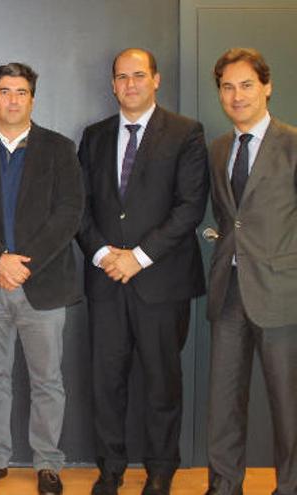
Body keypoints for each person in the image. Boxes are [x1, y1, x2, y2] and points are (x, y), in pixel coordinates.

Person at [76, 48, 209, 495]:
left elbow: (190, 206)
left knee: (162, 383)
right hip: (106, 280)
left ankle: (160, 469)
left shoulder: (186, 133)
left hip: (162, 281)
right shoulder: (93, 137)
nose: (129, 84)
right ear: (112, 84)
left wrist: (138, 256)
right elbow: (80, 209)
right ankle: (110, 468)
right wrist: (101, 254)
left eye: (138, 75)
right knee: (106, 382)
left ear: (156, 79)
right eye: (121, 77)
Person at [0, 62, 83, 495]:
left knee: (47, 380)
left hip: (42, 285)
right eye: (4, 91)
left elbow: (70, 213)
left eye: (21, 92)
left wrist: (24, 264)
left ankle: (48, 463)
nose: (12, 99)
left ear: (32, 99)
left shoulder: (59, 149)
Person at [205, 47, 297, 495]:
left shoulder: (293, 143)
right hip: (229, 291)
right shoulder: (219, 147)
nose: (236, 95)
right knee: (223, 402)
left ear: (267, 87)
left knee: (288, 406)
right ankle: (224, 484)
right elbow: (229, 219)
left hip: (282, 295)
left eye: (246, 85)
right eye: (227, 86)